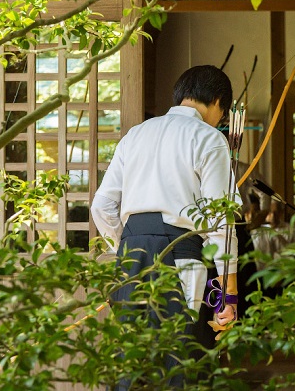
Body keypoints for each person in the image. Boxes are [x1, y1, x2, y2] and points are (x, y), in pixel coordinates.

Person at [90, 65, 240, 389]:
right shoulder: (210, 138)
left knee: (130, 360)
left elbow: (101, 206)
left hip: (130, 256)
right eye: (223, 113)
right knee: (180, 361)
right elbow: (220, 223)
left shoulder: (136, 134)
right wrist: (228, 296)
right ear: (217, 102)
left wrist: (125, 247)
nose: (221, 120)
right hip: (182, 255)